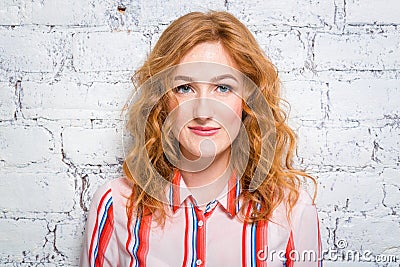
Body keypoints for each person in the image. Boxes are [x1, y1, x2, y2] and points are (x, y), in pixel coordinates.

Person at [80, 11, 322, 267]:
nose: (203, 113)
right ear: (162, 100)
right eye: (184, 88)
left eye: (223, 88)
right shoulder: (116, 204)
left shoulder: (293, 211)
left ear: (248, 101)